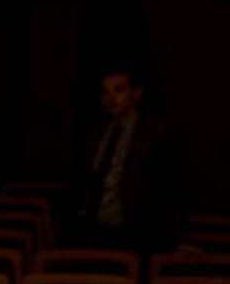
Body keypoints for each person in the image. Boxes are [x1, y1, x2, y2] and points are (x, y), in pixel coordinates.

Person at [63, 66, 179, 251]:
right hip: (85, 227)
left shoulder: (156, 133)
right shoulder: (94, 131)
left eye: (119, 90)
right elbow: (78, 179)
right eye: (105, 92)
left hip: (129, 233)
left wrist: (180, 238)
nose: (110, 98)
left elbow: (172, 186)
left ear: (137, 93)